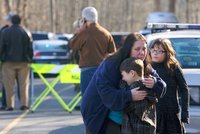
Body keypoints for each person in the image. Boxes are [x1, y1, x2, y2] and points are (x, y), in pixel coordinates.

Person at [81, 33, 166, 134]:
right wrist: (129, 95)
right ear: (128, 49)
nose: (142, 52)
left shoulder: (143, 64)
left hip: (127, 120)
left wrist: (155, 83)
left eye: (144, 49)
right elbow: (105, 91)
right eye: (137, 49)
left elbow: (163, 86)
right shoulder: (111, 64)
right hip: (99, 113)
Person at [69, 6, 116, 95]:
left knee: (87, 99)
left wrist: (80, 31)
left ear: (84, 20)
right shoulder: (106, 33)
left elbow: (72, 45)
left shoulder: (84, 33)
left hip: (87, 71)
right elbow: (113, 53)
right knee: (101, 99)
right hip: (103, 71)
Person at [149, 38, 189, 134]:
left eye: (160, 51)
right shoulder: (147, 67)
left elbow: (184, 90)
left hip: (172, 114)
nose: (155, 53)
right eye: (153, 50)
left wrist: (185, 113)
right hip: (153, 115)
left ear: (167, 53)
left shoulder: (173, 67)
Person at [0, 14, 33, 111]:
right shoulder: (25, 32)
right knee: (24, 84)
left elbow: (1, 46)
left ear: (11, 21)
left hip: (8, 62)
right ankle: (24, 104)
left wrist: (2, 58)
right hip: (23, 62)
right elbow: (29, 47)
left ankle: (10, 105)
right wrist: (29, 58)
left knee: (8, 85)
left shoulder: (5, 32)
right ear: (20, 21)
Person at [120, 57, 157, 134]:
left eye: (123, 75)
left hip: (136, 130)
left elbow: (127, 107)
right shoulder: (149, 87)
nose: (122, 79)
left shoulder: (137, 89)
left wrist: (124, 96)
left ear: (132, 73)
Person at [0, 11, 16, 110]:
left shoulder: (4, 31)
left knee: (8, 83)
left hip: (8, 61)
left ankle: (8, 103)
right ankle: (6, 103)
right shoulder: (3, 30)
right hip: (7, 61)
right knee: (6, 83)